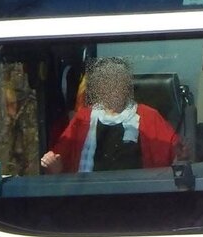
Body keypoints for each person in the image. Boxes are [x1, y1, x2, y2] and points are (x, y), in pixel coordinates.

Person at [40, 57, 182, 173]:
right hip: (90, 199)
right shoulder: (83, 118)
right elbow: (60, 163)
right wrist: (53, 164)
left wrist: (181, 157)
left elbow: (178, 153)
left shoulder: (149, 116)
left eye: (118, 82)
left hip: (137, 198)